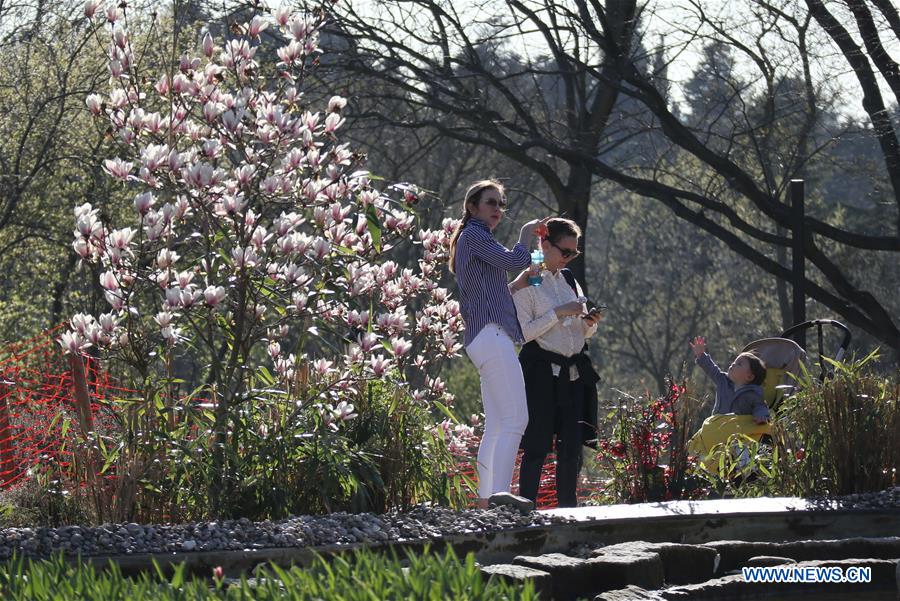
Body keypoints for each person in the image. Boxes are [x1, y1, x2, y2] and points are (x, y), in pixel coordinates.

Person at [449, 179, 548, 509]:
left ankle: (485, 502)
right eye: (491, 202)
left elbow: (513, 277)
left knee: (496, 425)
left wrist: (524, 273)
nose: (497, 209)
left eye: (501, 204)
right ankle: (501, 502)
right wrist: (525, 234)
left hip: (484, 338)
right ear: (472, 206)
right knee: (516, 420)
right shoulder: (475, 235)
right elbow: (513, 260)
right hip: (491, 336)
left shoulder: (475, 239)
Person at [509, 218, 603, 507]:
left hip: (574, 372)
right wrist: (559, 313)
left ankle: (568, 511)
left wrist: (590, 323)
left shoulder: (568, 279)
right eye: (566, 252)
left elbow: (581, 331)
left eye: (574, 253)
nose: (570, 258)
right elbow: (523, 333)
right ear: (545, 245)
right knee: (537, 446)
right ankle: (525, 509)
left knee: (571, 448)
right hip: (541, 372)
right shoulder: (528, 281)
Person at [689, 336, 769, 423]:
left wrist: (761, 416)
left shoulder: (753, 395)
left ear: (749, 377)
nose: (733, 364)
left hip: (737, 431)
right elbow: (711, 369)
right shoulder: (723, 381)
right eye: (734, 361)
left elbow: (761, 407)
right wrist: (701, 355)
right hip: (716, 426)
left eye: (739, 364)